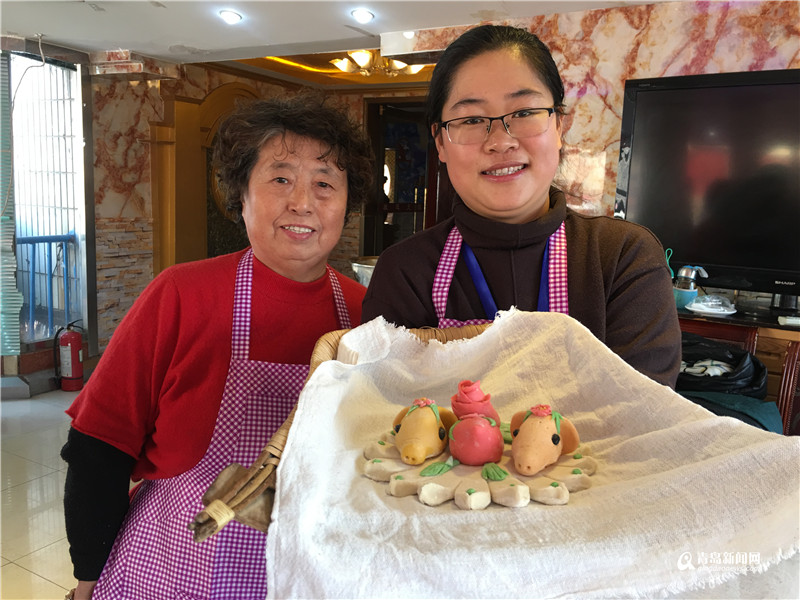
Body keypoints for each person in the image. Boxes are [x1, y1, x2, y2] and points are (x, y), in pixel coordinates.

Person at [61, 94, 373, 599]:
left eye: (324, 183)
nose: (302, 202)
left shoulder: (365, 316)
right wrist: (87, 579)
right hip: (173, 566)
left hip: (312, 573)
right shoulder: (181, 293)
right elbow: (100, 446)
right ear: (240, 196)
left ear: (346, 202)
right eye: (280, 178)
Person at [361, 25, 681, 387]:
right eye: (471, 120)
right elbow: (382, 408)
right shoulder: (405, 271)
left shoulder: (623, 258)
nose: (500, 141)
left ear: (559, 126)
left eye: (524, 112)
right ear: (440, 143)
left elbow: (641, 409)